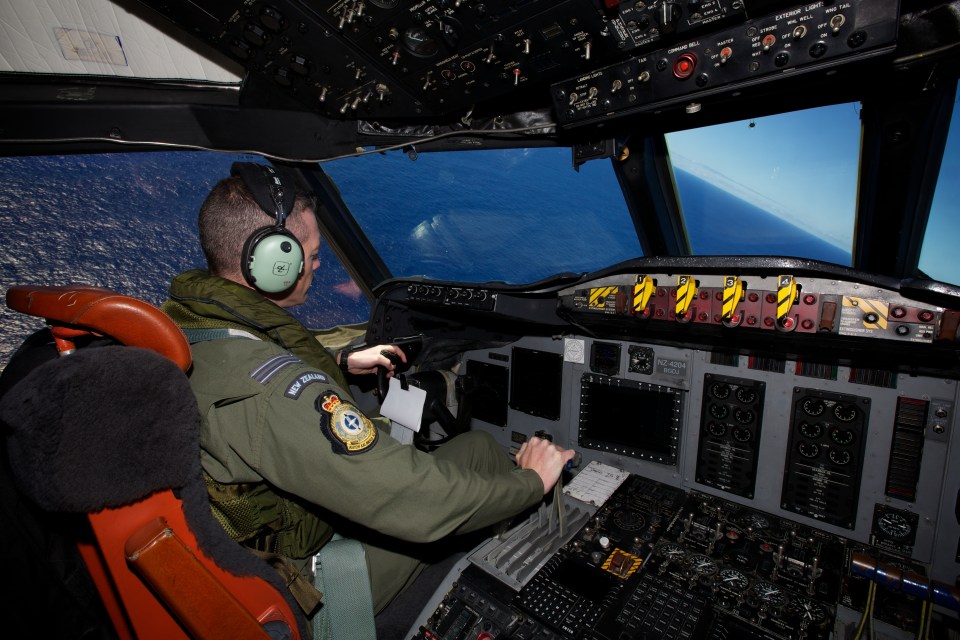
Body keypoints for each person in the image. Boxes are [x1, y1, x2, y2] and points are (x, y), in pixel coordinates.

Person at [161, 167, 576, 623]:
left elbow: (255, 370)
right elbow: (417, 502)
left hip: (246, 548)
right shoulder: (274, 391)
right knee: (456, 492)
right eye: (312, 256)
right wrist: (532, 482)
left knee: (477, 447)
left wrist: (338, 364)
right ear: (272, 262)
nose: (318, 267)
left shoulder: (189, 325)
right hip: (294, 587)